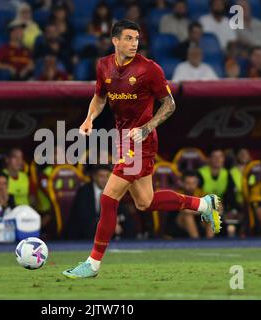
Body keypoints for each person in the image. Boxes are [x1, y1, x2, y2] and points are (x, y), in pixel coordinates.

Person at [62, 20, 222, 279]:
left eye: (136, 38)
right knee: (145, 202)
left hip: (141, 140)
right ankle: (203, 204)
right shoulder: (103, 65)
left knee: (108, 196)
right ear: (115, 40)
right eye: (128, 38)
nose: (134, 43)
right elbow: (100, 96)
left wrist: (147, 128)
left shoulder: (149, 69)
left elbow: (169, 105)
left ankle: (93, 263)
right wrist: (89, 118)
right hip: (122, 139)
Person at [65, 165, 136, 240]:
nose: (105, 180)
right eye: (101, 176)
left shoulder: (114, 190)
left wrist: (116, 221)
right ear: (94, 177)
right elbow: (84, 218)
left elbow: (122, 212)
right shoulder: (84, 191)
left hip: (105, 231)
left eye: (107, 176)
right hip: (84, 235)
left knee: (129, 224)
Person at [165, 171, 214, 239]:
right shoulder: (178, 194)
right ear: (182, 183)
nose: (191, 186)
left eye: (193, 183)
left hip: (198, 224)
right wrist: (206, 209)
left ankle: (210, 242)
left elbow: (218, 207)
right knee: (188, 216)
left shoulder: (201, 193)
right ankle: (196, 242)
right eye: (188, 183)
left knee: (211, 215)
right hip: (177, 226)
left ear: (197, 183)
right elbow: (186, 211)